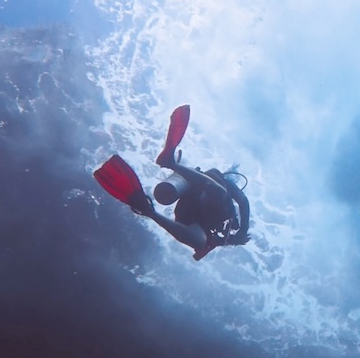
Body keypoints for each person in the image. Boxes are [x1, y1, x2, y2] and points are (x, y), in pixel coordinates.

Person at [93, 105, 250, 260]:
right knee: (220, 193)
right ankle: (171, 163)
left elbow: (208, 240)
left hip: (190, 214)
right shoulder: (227, 185)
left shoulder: (222, 225)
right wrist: (243, 231)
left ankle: (149, 211)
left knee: (199, 241)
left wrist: (230, 240)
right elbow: (243, 202)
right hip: (195, 189)